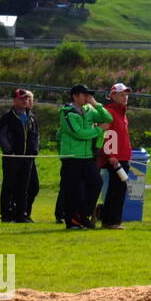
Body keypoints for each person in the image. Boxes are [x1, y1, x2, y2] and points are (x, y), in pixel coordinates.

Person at [57, 84, 112, 231]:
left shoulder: (89, 110)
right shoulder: (67, 113)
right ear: (75, 96)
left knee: (96, 183)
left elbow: (108, 118)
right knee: (73, 189)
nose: (87, 97)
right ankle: (71, 220)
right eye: (84, 94)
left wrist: (96, 104)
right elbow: (79, 133)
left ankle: (82, 215)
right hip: (72, 156)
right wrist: (99, 129)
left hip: (88, 156)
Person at [0, 89, 40, 223]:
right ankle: (6, 215)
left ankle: (21, 214)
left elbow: (36, 136)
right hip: (12, 158)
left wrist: (35, 150)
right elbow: (1, 136)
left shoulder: (31, 118)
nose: (25, 101)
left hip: (27, 159)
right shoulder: (7, 117)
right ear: (14, 100)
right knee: (9, 186)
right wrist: (9, 151)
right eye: (21, 98)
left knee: (23, 187)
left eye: (26, 98)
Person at [97, 83, 132, 230]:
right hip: (115, 158)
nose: (125, 97)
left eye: (126, 94)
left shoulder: (122, 113)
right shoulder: (109, 112)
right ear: (113, 96)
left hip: (123, 156)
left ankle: (109, 219)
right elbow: (106, 135)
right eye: (122, 94)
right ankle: (112, 220)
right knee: (117, 187)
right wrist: (111, 154)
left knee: (117, 187)